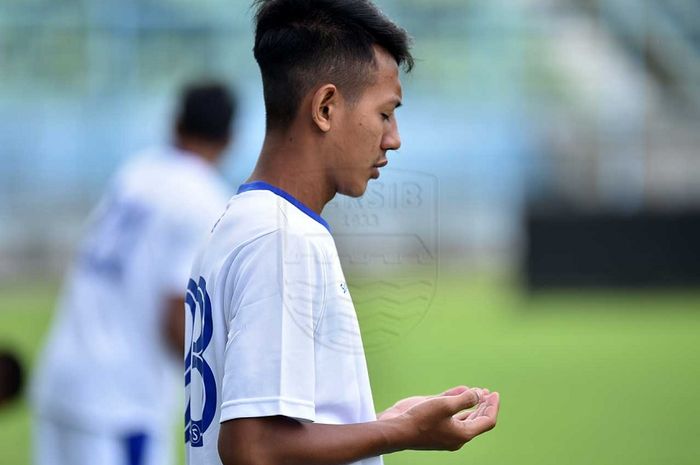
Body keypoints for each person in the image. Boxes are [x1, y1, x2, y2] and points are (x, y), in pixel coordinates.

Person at [184, 1, 500, 465]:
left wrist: (379, 422)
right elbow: (254, 448)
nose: (394, 138)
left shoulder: (241, 220)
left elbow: (275, 431)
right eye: (386, 113)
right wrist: (400, 431)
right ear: (326, 107)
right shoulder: (282, 239)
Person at [32, 82, 236, 465]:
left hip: (63, 378)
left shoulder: (137, 171)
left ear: (175, 123)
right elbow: (176, 317)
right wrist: (228, 385)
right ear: (228, 139)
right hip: (118, 402)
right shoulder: (204, 199)